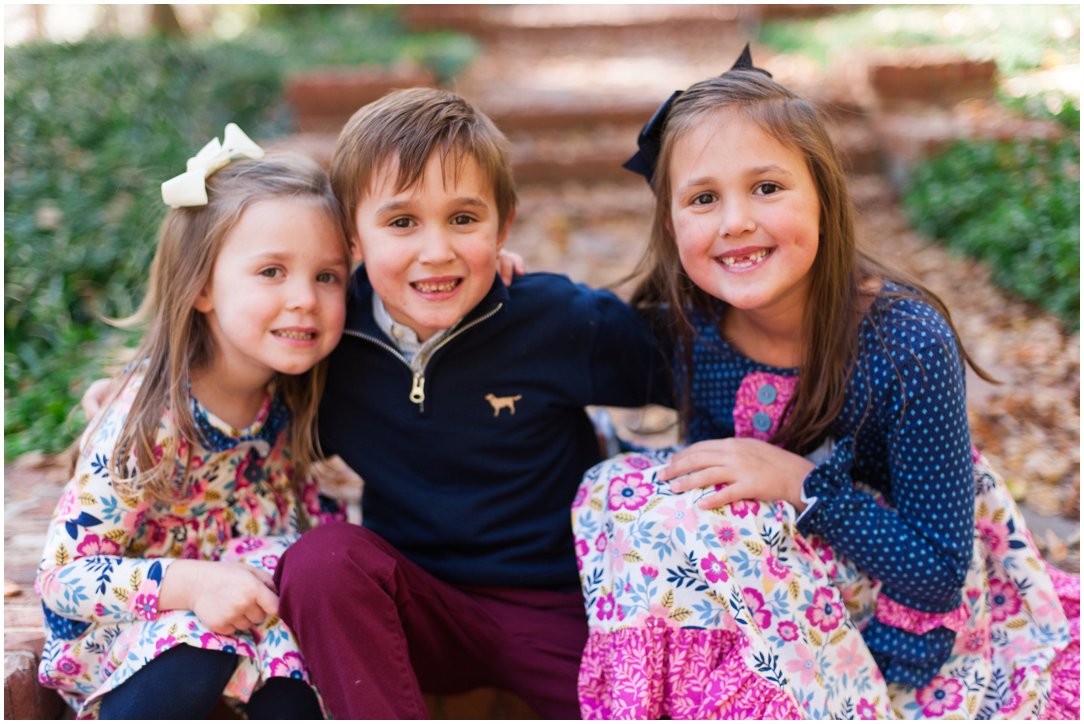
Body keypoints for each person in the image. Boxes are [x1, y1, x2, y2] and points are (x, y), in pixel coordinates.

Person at [573, 48, 1080, 719]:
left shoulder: (904, 344)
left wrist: (796, 482)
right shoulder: (688, 328)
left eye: (767, 187)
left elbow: (936, 573)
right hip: (769, 595)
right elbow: (556, 342)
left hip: (902, 595)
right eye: (703, 198)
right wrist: (496, 285)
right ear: (672, 225)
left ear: (823, 195)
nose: (735, 222)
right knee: (624, 493)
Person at [269, 87, 670, 719]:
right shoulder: (330, 337)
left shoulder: (553, 321)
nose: (437, 251)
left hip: (556, 605)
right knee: (321, 563)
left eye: (463, 219)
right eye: (401, 222)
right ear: (352, 236)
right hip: (416, 604)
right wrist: (140, 383)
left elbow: (689, 368)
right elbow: (237, 367)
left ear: (502, 225)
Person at [36, 125, 353, 719]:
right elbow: (62, 578)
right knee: (199, 653)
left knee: (297, 686)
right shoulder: (147, 418)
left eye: (327, 276)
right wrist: (194, 584)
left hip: (255, 630)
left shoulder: (295, 399)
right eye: (271, 272)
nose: (306, 299)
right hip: (141, 642)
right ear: (202, 286)